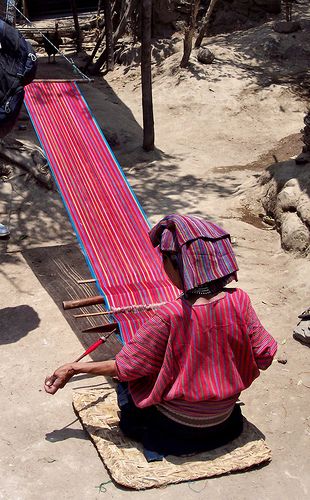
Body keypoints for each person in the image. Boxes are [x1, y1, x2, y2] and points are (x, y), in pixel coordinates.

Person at [45, 214, 277, 460]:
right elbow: (264, 354)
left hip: (177, 432)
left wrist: (73, 368)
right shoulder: (239, 301)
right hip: (223, 424)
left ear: (177, 264)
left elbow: (126, 367)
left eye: (164, 259)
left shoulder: (171, 314)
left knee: (127, 387)